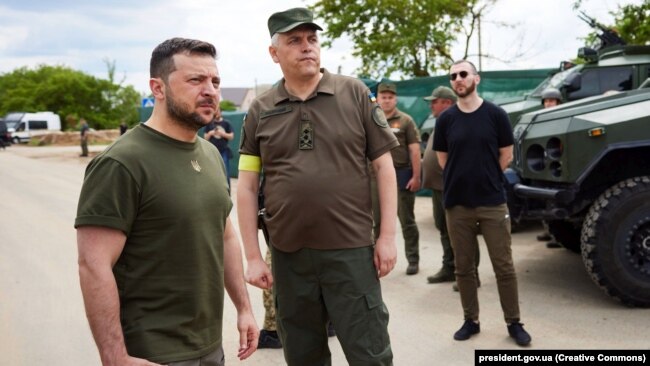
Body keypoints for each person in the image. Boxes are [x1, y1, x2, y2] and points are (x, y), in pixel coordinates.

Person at [75, 37, 258, 366]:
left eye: (215, 81)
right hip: (152, 352)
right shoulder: (122, 163)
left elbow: (225, 234)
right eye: (195, 80)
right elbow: (93, 265)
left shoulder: (212, 155)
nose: (210, 90)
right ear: (157, 88)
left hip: (209, 346)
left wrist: (244, 308)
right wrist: (115, 357)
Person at [237, 7, 398, 365]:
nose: (307, 47)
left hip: (351, 251)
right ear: (274, 53)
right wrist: (251, 256)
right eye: (294, 40)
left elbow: (384, 167)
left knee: (369, 351)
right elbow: (247, 186)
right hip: (289, 255)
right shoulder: (260, 110)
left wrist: (386, 236)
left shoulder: (353, 93)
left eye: (312, 39)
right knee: (303, 353)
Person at [433, 60, 532, 346]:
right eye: (453, 76)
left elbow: (506, 155)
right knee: (463, 267)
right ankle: (470, 320)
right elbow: (443, 159)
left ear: (477, 78)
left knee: (504, 266)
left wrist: (485, 176)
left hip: (492, 202)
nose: (458, 79)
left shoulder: (496, 115)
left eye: (463, 74)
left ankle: (514, 323)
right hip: (457, 204)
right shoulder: (446, 120)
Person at [421, 86, 481, 287]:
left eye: (434, 101)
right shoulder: (442, 122)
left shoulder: (458, 121)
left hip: (453, 186)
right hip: (438, 187)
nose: (431, 105)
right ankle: (450, 268)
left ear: (446, 102)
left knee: (463, 230)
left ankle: (471, 274)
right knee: (444, 228)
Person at [373, 82, 421, 275]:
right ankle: (377, 261)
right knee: (377, 222)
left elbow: (415, 149)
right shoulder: (370, 119)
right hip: (374, 178)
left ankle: (413, 259)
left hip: (401, 175)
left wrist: (416, 176)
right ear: (377, 98)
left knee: (407, 221)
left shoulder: (406, 120)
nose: (386, 100)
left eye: (390, 97)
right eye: (383, 96)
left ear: (396, 99)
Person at [537, 88, 563, 248]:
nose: (549, 104)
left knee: (555, 201)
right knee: (544, 199)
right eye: (546, 101)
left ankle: (558, 236)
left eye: (552, 101)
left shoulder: (563, 117)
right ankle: (548, 230)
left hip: (558, 164)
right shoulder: (541, 118)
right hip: (545, 162)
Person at [204, 107, 234, 189]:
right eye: (215, 111)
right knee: (211, 173)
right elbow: (205, 138)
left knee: (226, 173)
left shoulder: (226, 123)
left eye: (218, 111)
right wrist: (211, 133)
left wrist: (222, 134)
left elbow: (231, 136)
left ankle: (227, 194)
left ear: (221, 112)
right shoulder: (209, 124)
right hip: (211, 152)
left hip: (224, 151)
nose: (217, 113)